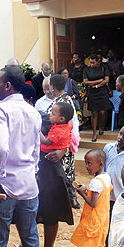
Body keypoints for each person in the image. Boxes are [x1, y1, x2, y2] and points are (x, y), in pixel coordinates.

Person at [0, 66, 43, 247]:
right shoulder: (33, 112)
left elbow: (1, 148)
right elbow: (36, 150)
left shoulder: (0, 110)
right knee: (30, 239)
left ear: (8, 86)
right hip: (28, 184)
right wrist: (33, 171)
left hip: (3, 185)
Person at [38, 102, 74, 247]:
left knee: (49, 208)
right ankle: (28, 245)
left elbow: (69, 132)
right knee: (26, 209)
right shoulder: (45, 113)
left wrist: (63, 149)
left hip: (49, 168)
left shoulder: (55, 118)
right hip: (29, 166)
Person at [69, 149, 112, 247]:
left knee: (81, 238)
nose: (87, 166)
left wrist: (82, 192)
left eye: (89, 163)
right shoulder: (106, 177)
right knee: (101, 241)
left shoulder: (96, 182)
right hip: (103, 216)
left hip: (92, 217)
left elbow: (93, 203)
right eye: (86, 163)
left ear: (100, 163)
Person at [47, 74, 80, 209]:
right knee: (68, 171)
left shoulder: (60, 103)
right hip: (65, 142)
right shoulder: (66, 99)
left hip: (60, 143)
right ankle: (71, 198)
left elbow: (67, 125)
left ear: (52, 86)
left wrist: (64, 147)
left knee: (61, 173)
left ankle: (66, 200)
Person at [83, 54, 112, 142]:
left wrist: (96, 85)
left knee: (103, 112)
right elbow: (85, 82)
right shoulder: (86, 70)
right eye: (90, 62)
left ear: (98, 62)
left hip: (102, 92)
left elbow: (106, 80)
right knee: (94, 113)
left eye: (93, 62)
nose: (91, 64)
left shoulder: (104, 68)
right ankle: (94, 133)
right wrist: (99, 81)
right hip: (92, 93)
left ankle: (101, 127)